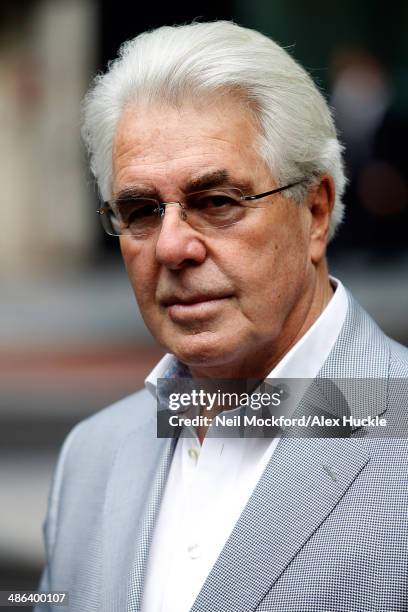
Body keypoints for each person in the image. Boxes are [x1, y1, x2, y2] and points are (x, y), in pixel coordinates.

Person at [36, 21, 408, 611]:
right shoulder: (92, 455)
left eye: (216, 202)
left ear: (315, 211)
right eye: (140, 210)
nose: (172, 247)